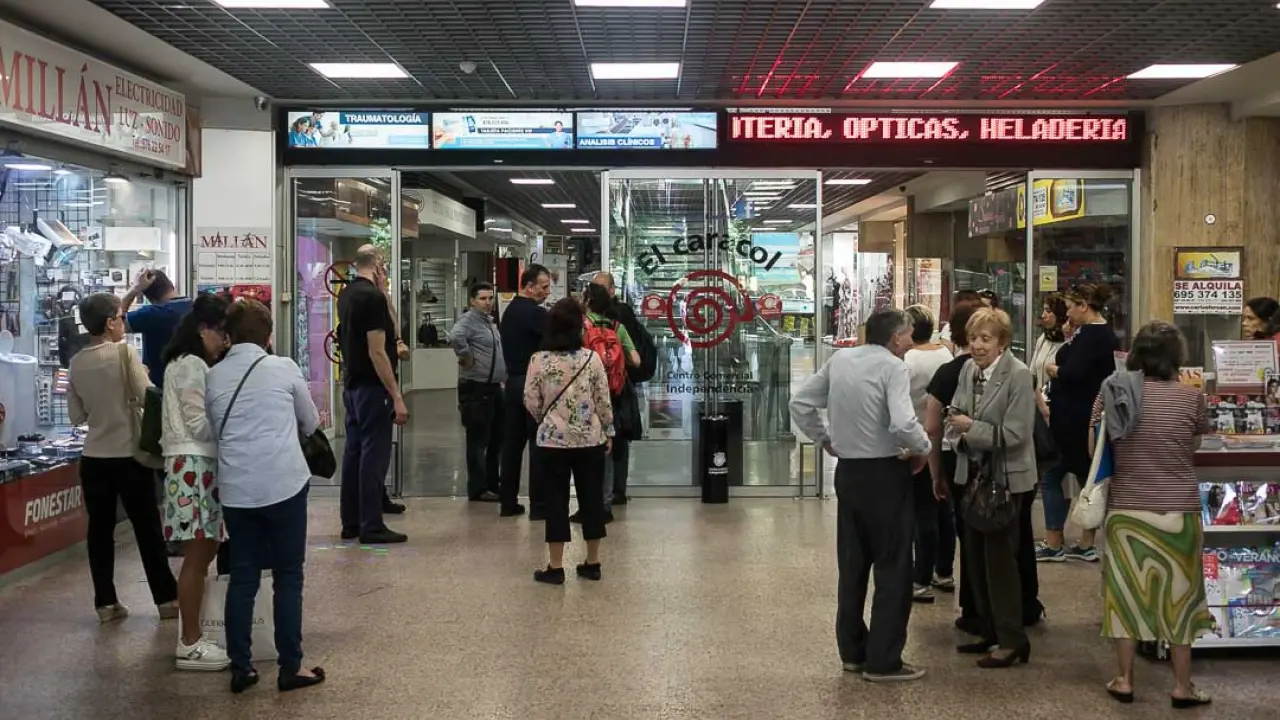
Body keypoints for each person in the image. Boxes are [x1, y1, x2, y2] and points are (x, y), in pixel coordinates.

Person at [790, 310, 931, 683]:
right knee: (893, 566)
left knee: (853, 565)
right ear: (896, 337)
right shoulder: (894, 367)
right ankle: (883, 659)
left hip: (849, 474)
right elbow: (903, 422)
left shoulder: (840, 360)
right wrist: (923, 448)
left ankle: (852, 651)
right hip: (885, 474)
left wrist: (824, 438)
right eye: (909, 335)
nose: (911, 341)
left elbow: (800, 403)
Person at [205, 299, 324, 694]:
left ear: (228, 336)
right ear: (268, 335)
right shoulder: (283, 367)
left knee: (243, 576)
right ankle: (291, 667)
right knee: (288, 576)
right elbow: (311, 421)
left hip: (237, 488)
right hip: (284, 482)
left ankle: (241, 667)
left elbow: (215, 430)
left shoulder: (214, 376)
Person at [1095, 322, 1214, 709]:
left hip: (1126, 510)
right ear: (1176, 357)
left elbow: (1094, 448)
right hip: (1179, 510)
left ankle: (1125, 680)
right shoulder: (1192, 398)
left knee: (1125, 595)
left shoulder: (1112, 392)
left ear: (1136, 354)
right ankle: (1181, 686)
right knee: (1182, 597)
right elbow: (1195, 444)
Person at [67, 293, 179, 624]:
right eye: (119, 318)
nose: (122, 324)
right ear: (108, 323)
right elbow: (147, 395)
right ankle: (166, 599)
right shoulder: (123, 352)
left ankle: (106, 603)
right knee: (147, 528)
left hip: (93, 457)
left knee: (99, 531)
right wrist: (141, 374)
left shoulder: (76, 363)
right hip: (129, 455)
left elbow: (76, 416)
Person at [945, 307, 1037, 669]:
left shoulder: (1019, 375)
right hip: (972, 477)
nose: (978, 345)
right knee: (975, 560)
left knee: (1000, 563)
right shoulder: (968, 370)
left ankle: (1012, 640)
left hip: (1006, 480)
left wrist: (970, 429)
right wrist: (961, 432)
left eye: (986, 338)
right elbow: (953, 416)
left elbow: (1015, 434)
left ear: (1002, 342)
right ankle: (989, 629)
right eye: (973, 338)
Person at [159, 293, 232, 670]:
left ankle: (191, 635)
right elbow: (198, 422)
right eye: (221, 333)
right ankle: (189, 640)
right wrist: (231, 422)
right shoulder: (191, 366)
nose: (224, 342)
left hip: (192, 465)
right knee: (198, 556)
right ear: (203, 329)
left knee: (202, 553)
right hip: (194, 465)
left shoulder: (183, 364)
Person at [524, 298, 613, 584]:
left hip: (552, 441)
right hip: (590, 439)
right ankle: (592, 562)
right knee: (592, 499)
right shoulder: (591, 359)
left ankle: (555, 566)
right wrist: (608, 430)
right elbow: (603, 399)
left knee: (555, 501)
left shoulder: (538, 360)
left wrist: (547, 419)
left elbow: (530, 399)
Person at [1041, 283, 1118, 562]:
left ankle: (1055, 541)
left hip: (1075, 419)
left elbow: (1073, 372)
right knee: (1086, 477)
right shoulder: (1091, 333)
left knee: (1053, 475)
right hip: (1079, 417)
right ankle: (1084, 541)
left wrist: (1054, 370)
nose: (1068, 313)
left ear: (1084, 306)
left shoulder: (1093, 336)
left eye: (1071, 307)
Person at [336, 245, 408, 544]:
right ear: (378, 264)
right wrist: (396, 395)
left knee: (354, 452)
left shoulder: (348, 294)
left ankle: (351, 520)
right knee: (374, 455)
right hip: (372, 387)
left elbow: (393, 328)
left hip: (352, 384)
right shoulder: (372, 298)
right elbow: (377, 351)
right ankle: (371, 524)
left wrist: (385, 293)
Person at [575, 282, 641, 524]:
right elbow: (636, 360)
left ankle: (587, 505)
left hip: (586, 394)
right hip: (614, 394)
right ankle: (606, 503)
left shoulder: (582, 326)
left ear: (587, 301)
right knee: (610, 448)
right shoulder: (617, 327)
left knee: (586, 450)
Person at [902, 305, 954, 605]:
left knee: (922, 512)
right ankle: (944, 571)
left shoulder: (907, 360)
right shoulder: (946, 355)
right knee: (943, 510)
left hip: (918, 441)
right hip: (946, 440)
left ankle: (920, 578)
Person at [591, 271, 655, 507]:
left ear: (611, 290)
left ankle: (612, 491)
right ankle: (611, 492)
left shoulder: (603, 318)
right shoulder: (618, 318)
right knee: (614, 439)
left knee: (614, 439)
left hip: (615, 387)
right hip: (614, 386)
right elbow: (635, 357)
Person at [499, 264, 552, 519]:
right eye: (544, 287)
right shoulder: (534, 313)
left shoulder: (510, 311)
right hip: (532, 383)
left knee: (512, 444)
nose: (547, 292)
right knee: (538, 443)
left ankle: (508, 501)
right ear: (529, 286)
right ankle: (539, 505)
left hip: (513, 383)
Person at [449, 282, 507, 503]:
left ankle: (493, 483)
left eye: (490, 298)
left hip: (493, 387)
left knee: (496, 438)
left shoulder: (488, 322)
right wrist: (466, 356)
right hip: (476, 388)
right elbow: (456, 336)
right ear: (473, 301)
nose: (488, 302)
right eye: (483, 299)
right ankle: (478, 488)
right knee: (478, 439)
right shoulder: (469, 321)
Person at [122, 269, 193, 388]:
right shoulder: (193, 306)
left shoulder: (153, 314)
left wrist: (134, 289)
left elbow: (115, 322)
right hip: (191, 382)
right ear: (170, 284)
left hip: (162, 386)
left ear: (148, 297)